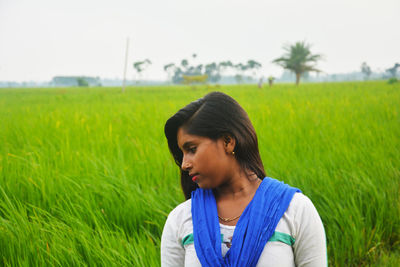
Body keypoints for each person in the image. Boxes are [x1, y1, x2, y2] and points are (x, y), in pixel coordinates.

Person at [161, 92, 327, 267]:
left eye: (192, 149)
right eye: (182, 154)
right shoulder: (181, 219)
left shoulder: (295, 210)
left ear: (227, 142)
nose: (184, 164)